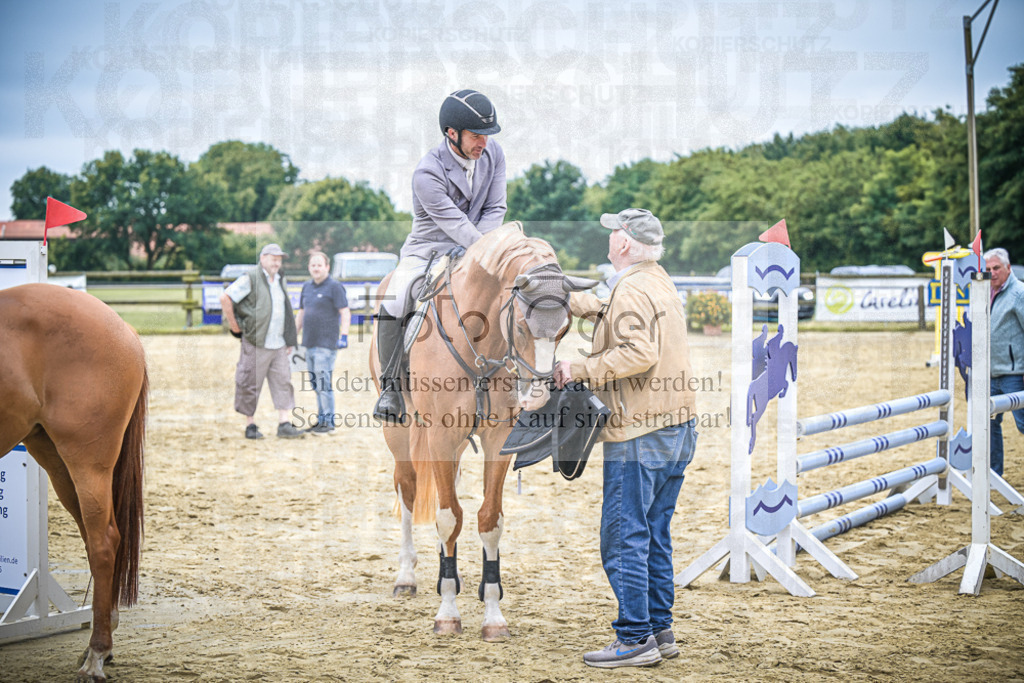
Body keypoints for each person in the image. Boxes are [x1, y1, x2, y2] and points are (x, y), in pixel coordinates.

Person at [553, 208, 698, 669]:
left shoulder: (631, 287)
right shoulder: (656, 279)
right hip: (677, 426)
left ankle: (634, 638)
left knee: (622, 536)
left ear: (623, 244)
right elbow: (609, 305)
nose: (610, 236)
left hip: (641, 430)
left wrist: (579, 369)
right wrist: (564, 296)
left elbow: (638, 350)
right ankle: (660, 629)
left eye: (615, 231)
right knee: (654, 533)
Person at [373, 88, 507, 423]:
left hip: (479, 247)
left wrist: (487, 250)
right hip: (428, 251)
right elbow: (454, 223)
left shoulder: (494, 155)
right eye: (477, 136)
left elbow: (495, 207)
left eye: (487, 136)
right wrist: (483, 251)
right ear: (452, 133)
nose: (484, 144)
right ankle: (391, 388)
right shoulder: (427, 172)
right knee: (396, 297)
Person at [220, 243, 305, 440]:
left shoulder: (280, 278)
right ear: (263, 258)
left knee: (283, 381)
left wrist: (289, 338)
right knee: (250, 382)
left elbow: (285, 309)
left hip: (278, 341)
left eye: (279, 259)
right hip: (256, 340)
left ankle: (284, 423)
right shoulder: (250, 277)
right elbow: (226, 298)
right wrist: (235, 327)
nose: (277, 262)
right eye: (273, 258)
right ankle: (250, 425)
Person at [296, 251, 351, 434]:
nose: (316, 268)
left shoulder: (334, 287)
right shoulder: (306, 287)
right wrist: (293, 337)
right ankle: (321, 420)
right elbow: (301, 313)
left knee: (323, 383)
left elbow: (345, 311)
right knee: (315, 383)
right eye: (313, 265)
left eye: (320, 265)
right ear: (309, 268)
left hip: (326, 344)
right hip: (308, 342)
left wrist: (344, 336)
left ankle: (329, 422)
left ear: (327, 267)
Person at [984, 247, 1024, 476]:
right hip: (988, 372)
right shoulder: (981, 292)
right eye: (988, 269)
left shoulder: (1019, 293)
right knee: (988, 425)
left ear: (1008, 268)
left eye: (996, 268)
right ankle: (993, 474)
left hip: (1014, 372)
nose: (992, 272)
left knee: (1023, 424)